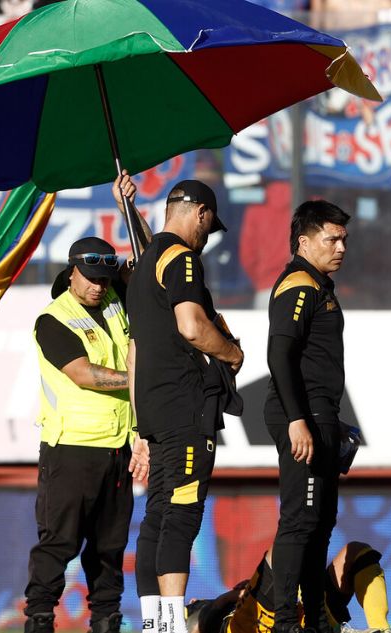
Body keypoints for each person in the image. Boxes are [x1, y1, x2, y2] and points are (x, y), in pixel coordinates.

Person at [127, 179, 244, 633]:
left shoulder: (142, 270)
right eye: (210, 227)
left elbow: (134, 354)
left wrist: (140, 426)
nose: (207, 237)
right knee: (182, 514)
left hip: (156, 415)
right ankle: (174, 626)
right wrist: (232, 353)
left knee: (158, 517)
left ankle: (154, 624)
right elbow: (193, 327)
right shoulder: (181, 259)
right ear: (200, 213)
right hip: (185, 410)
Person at [24, 218, 150, 633]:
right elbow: (83, 374)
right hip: (72, 450)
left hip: (118, 448)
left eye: (105, 278)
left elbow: (152, 264)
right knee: (59, 542)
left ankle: (107, 620)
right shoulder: (53, 319)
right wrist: (138, 380)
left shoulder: (115, 295)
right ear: (71, 272)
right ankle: (40, 618)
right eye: (92, 278)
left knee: (110, 547)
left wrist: (127, 207)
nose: (99, 286)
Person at [264, 200, 351, 633]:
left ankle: (315, 618)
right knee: (300, 518)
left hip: (320, 413)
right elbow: (279, 354)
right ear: (303, 241)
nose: (340, 247)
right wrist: (298, 419)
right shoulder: (299, 284)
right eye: (331, 238)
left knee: (320, 520)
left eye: (343, 239)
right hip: (303, 416)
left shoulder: (320, 284)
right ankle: (285, 623)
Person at [185, 541, 391, 633]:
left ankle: (382, 629)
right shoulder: (186, 613)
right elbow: (196, 627)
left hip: (302, 608)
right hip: (250, 626)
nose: (192, 598)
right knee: (281, 552)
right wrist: (231, 596)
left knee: (356, 552)